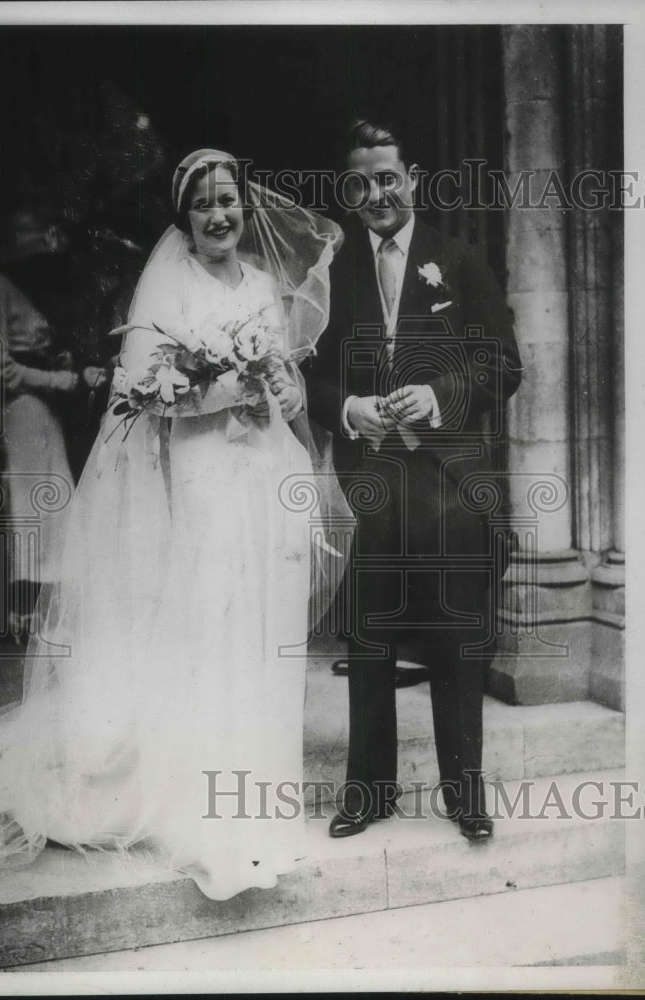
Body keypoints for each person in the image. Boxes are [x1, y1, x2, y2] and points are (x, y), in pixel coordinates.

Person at [0, 149, 347, 901]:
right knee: (210, 629)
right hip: (202, 480)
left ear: (246, 203)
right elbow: (142, 393)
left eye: (229, 199)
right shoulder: (168, 283)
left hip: (266, 473)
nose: (220, 215)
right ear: (185, 216)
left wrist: (280, 387)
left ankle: (261, 808)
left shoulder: (265, 285)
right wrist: (225, 384)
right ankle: (203, 810)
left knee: (263, 632)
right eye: (204, 204)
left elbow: (292, 394)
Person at [305, 119, 523, 841]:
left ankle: (465, 793)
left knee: (458, 635)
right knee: (369, 637)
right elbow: (308, 374)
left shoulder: (457, 262)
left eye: (388, 178)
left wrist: (439, 396)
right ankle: (369, 791)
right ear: (350, 189)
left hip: (451, 478)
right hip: (372, 479)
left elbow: (504, 366)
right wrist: (347, 406)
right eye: (361, 182)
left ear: (414, 178)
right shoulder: (332, 275)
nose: (376, 194)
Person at [0, 209, 78, 636]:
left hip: (46, 414)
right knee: (25, 511)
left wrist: (59, 363)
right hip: (20, 409)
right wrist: (52, 378)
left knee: (53, 506)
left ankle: (43, 614)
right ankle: (15, 614)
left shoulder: (35, 295)